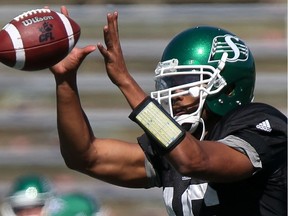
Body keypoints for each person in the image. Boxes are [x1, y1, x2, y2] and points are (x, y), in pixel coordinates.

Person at [49, 6, 287, 216]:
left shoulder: (261, 126)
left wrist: (125, 81)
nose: (176, 93)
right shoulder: (180, 140)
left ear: (230, 88)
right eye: (171, 83)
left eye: (187, 82)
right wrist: (65, 81)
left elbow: (195, 160)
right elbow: (86, 157)